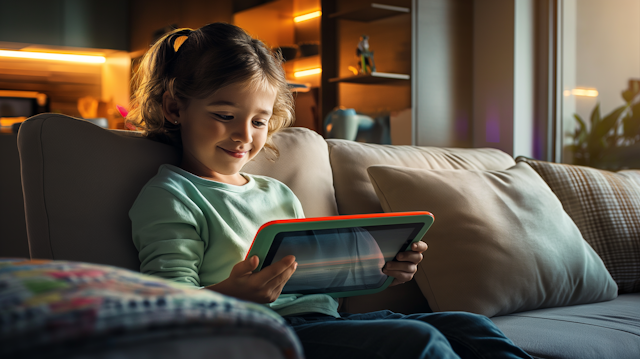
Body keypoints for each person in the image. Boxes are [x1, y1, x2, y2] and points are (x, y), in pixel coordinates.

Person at [127, 22, 532, 359]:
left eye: (258, 121)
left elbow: (318, 278)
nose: (243, 135)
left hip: (324, 323)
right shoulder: (172, 195)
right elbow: (170, 306)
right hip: (266, 335)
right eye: (225, 116)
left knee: (469, 326)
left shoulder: (277, 193)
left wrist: (383, 271)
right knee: (419, 343)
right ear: (176, 108)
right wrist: (234, 294)